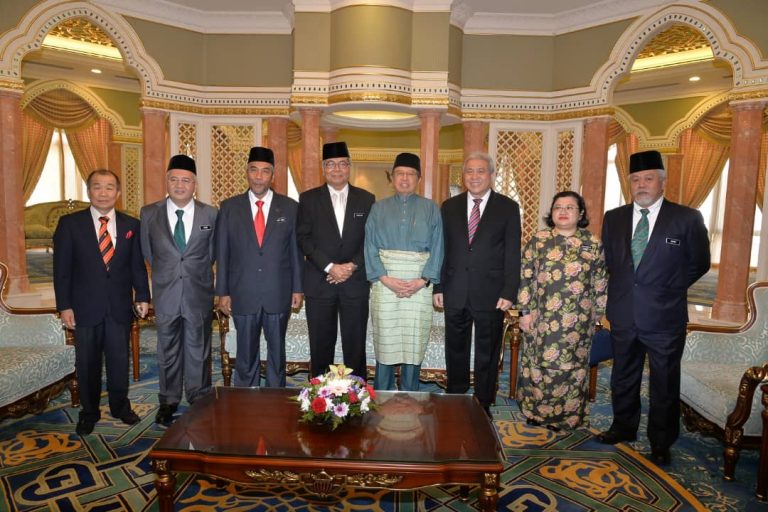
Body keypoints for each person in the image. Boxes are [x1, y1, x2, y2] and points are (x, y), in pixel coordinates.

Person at [598, 150, 710, 466]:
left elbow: (699, 263)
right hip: (623, 312)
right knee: (623, 375)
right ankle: (623, 426)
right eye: (635, 179)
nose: (641, 185)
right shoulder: (613, 218)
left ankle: (661, 441)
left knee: (664, 382)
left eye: (648, 179)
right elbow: (612, 262)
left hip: (665, 316)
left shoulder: (687, 218)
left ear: (662, 182)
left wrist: (667, 288)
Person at [53, 169, 150, 436]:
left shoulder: (131, 225)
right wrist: (64, 306)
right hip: (84, 308)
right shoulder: (70, 224)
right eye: (97, 187)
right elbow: (61, 270)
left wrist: (142, 296)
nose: (103, 193)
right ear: (89, 191)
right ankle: (89, 412)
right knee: (87, 364)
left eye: (109, 187)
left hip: (119, 307)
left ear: (117, 193)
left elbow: (137, 266)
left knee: (119, 361)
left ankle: (120, 407)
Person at [433, 152, 520, 418]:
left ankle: (483, 402)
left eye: (480, 171)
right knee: (455, 349)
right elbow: (442, 250)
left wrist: (509, 291)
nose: (474, 176)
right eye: (469, 171)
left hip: (491, 293)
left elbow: (512, 253)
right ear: (463, 176)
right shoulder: (449, 207)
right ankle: (457, 398)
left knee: (488, 352)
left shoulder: (507, 207)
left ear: (491, 175)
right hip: (455, 290)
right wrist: (438, 287)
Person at [516, 191, 607, 431]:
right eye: (558, 207)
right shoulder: (539, 240)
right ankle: (536, 413)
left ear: (580, 213)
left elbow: (600, 281)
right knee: (538, 365)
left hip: (579, 320)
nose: (563, 212)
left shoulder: (592, 243)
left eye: (570, 207)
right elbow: (525, 276)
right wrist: (524, 312)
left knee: (573, 368)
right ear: (552, 213)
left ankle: (568, 417)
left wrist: (599, 314)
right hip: (541, 318)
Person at [215, 146, 303, 388]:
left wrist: (297, 288)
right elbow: (222, 252)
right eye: (253, 170)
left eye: (265, 171)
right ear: (246, 172)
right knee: (245, 353)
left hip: (278, 291)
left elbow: (295, 251)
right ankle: (245, 399)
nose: (258, 176)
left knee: (277, 352)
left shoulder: (290, 207)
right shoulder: (229, 207)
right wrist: (223, 292)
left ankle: (276, 397)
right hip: (243, 291)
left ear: (272, 175)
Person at [140, 155, 218, 426]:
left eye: (186, 180)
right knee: (167, 349)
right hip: (166, 293)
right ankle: (168, 400)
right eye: (174, 179)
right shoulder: (149, 213)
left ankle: (199, 397)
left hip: (198, 293)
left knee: (199, 349)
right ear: (167, 182)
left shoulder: (211, 214)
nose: (180, 185)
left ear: (195, 184)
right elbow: (148, 253)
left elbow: (212, 253)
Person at [364, 152, 443, 391]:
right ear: (392, 177)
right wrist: (385, 278)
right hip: (385, 282)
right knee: (386, 338)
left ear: (418, 179)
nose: (405, 178)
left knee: (413, 340)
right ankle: (382, 392)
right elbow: (369, 246)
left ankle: (410, 394)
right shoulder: (378, 208)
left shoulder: (431, 208)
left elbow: (438, 247)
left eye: (410, 174)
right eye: (400, 174)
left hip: (419, 283)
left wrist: (423, 280)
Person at [297, 141, 375, 379]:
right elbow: (303, 238)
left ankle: (358, 393)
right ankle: (319, 394)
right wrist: (330, 267)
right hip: (320, 283)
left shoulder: (366, 199)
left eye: (342, 164)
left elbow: (371, 240)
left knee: (355, 346)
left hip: (355, 282)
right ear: (323, 168)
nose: (337, 169)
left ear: (349, 167)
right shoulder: (308, 199)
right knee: (321, 345)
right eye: (331, 164)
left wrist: (351, 266)